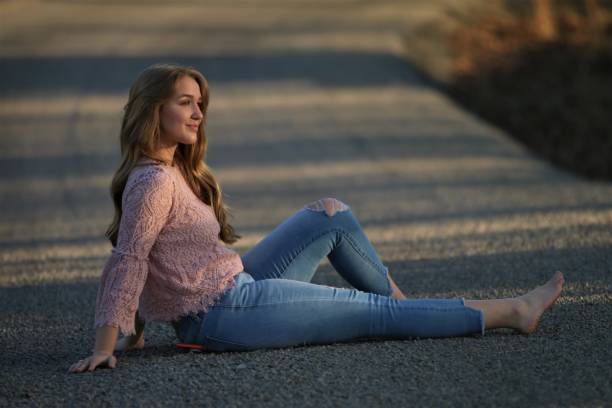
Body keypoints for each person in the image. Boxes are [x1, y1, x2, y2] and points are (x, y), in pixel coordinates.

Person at [69, 63, 565, 373]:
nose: (198, 114)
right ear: (153, 111)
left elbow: (150, 257)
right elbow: (130, 259)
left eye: (200, 104)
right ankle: (510, 312)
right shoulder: (153, 182)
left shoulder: (171, 169)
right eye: (185, 103)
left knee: (330, 213)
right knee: (369, 313)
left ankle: (410, 312)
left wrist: (136, 330)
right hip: (221, 315)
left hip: (234, 287)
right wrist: (108, 343)